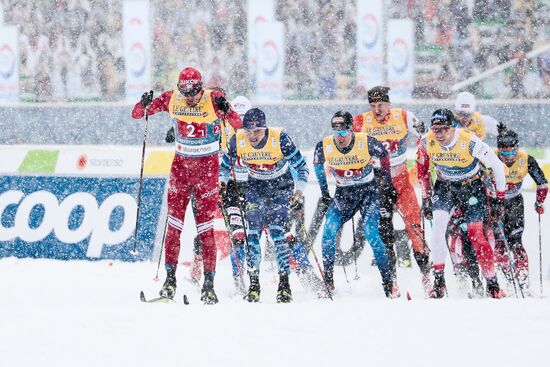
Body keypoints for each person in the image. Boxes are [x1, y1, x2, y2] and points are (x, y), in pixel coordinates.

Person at [131, 67, 242, 305]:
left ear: (201, 87)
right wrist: (144, 103)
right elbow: (138, 114)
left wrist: (226, 109)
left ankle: (209, 285)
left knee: (205, 231)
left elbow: (238, 123)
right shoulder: (173, 97)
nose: (189, 97)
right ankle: (170, 280)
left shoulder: (212, 98)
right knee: (174, 228)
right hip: (180, 171)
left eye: (193, 92)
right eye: (185, 92)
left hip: (207, 173)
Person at [219, 108, 309, 303]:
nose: (253, 135)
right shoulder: (238, 139)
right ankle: (254, 285)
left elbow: (302, 167)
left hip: (281, 187)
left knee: (277, 233)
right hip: (255, 188)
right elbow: (224, 167)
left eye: (257, 131)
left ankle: (284, 284)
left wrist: (299, 191)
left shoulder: (280, 139)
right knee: (252, 234)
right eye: (249, 131)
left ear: (265, 128)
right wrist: (222, 182)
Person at [417, 109, 507, 299]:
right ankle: (439, 281)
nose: (438, 134)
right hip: (445, 187)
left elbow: (497, 166)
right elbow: (422, 171)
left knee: (475, 233)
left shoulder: (469, 141)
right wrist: (425, 198)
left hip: (471, 187)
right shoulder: (426, 141)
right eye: (435, 130)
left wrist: (500, 197)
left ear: (452, 128)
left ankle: (492, 283)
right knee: (438, 227)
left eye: (442, 129)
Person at [353, 86, 432, 294]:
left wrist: (426, 156)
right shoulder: (361, 121)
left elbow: (427, 136)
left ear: (389, 104)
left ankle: (427, 277)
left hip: (402, 182)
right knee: (384, 233)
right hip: (378, 184)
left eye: (381, 105)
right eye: (373, 106)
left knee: (415, 229)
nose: (377, 110)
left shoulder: (404, 116)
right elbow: (348, 147)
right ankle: (392, 280)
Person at [314, 111, 397, 298]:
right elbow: (318, 166)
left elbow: (384, 155)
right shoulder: (324, 145)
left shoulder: (365, 141)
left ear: (351, 129)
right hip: (344, 196)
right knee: (328, 231)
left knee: (371, 232)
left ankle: (388, 282)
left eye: (343, 132)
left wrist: (388, 183)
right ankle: (328, 280)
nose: (340, 137)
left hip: (368, 193)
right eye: (336, 133)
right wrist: (325, 193)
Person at [490, 124, 548, 294]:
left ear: (517, 148)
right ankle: (507, 278)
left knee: (515, 242)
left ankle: (522, 279)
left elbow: (542, 183)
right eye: (504, 153)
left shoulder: (526, 159)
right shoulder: (489, 157)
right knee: (499, 243)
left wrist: (539, 201)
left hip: (515, 202)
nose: (508, 157)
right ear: (498, 150)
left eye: (512, 152)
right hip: (493, 203)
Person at [219, 95, 252, 294]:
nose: (239, 124)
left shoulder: (261, 134)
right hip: (232, 189)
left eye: (244, 118)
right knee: (238, 236)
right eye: (236, 118)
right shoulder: (225, 134)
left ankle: (302, 273)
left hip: (256, 188)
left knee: (277, 234)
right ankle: (239, 280)